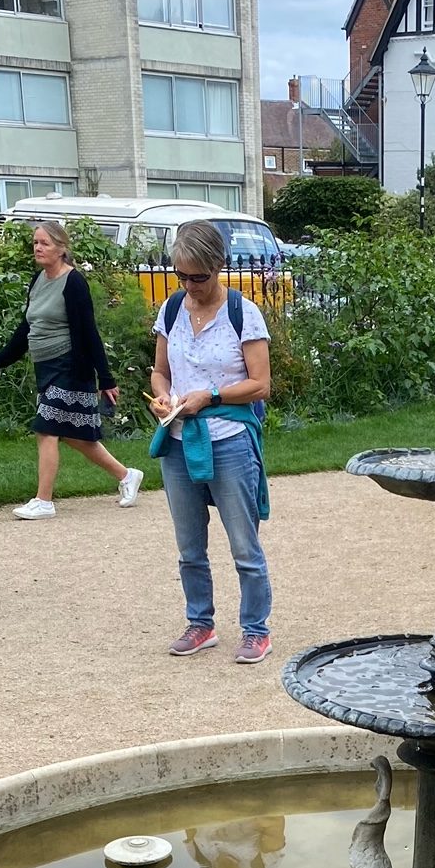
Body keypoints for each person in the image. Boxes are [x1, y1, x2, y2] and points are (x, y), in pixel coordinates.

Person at [147, 219, 273, 665]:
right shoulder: (171, 310)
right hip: (178, 439)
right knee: (189, 547)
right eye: (180, 275)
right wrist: (162, 396)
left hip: (229, 439)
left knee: (244, 545)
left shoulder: (243, 313)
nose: (189, 285)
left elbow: (260, 384)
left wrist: (212, 395)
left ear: (219, 266)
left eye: (198, 276)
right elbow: (160, 371)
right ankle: (200, 623)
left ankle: (256, 630)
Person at [0, 219, 143, 521]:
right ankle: (127, 475)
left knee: (46, 428)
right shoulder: (38, 280)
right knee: (73, 435)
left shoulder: (74, 283)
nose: (38, 248)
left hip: (70, 365)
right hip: (45, 367)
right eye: (35, 242)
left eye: (44, 243)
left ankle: (43, 501)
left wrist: (105, 377)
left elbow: (89, 332)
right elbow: (27, 328)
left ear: (61, 248)